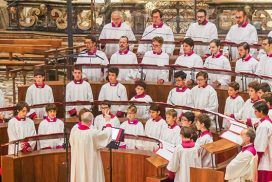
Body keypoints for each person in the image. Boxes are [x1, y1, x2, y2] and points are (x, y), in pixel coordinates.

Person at [70, 111, 112, 182]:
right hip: (90, 162)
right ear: (90, 122)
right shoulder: (92, 133)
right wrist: (108, 122)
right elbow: (106, 134)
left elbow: (71, 143)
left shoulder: (75, 131)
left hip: (79, 162)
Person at [253, 101, 272, 182]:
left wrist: (255, 162)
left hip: (264, 161)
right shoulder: (267, 122)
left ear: (261, 111)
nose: (254, 113)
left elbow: (260, 147)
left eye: (256, 111)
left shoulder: (264, 126)